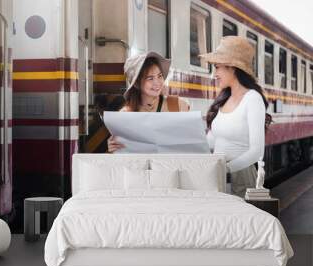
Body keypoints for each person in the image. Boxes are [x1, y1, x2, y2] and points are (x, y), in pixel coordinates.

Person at [199, 36, 272, 198]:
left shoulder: (252, 98)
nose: (214, 75)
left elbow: (256, 151)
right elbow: (212, 141)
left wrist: (227, 169)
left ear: (232, 68)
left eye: (217, 67)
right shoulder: (224, 99)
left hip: (241, 178)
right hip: (219, 177)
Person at [108, 51, 190, 153]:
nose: (157, 83)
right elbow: (123, 158)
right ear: (137, 84)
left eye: (159, 76)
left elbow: (191, 145)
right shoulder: (125, 115)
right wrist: (113, 149)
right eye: (150, 78)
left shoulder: (178, 105)